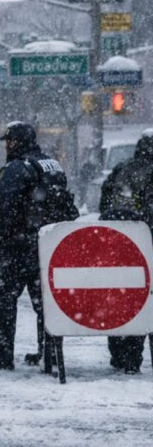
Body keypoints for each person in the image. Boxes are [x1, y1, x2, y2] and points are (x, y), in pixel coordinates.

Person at [0, 121, 79, 371]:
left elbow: (2, 205)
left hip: (18, 246)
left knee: (2, 299)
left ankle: (0, 354)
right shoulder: (52, 165)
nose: (6, 146)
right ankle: (48, 352)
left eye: (8, 141)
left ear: (15, 142)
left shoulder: (17, 168)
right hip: (48, 245)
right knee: (45, 302)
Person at [99, 128, 153, 374]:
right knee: (145, 299)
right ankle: (134, 355)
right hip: (147, 242)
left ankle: (120, 353)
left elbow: (104, 203)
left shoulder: (122, 169)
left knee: (120, 298)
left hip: (119, 244)